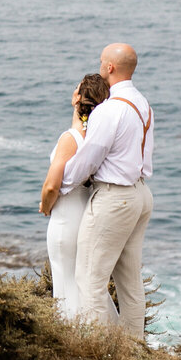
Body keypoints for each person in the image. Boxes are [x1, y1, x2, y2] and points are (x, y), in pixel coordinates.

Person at [62, 42, 154, 336]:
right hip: (140, 195)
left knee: (89, 278)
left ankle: (100, 352)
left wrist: (61, 186)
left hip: (115, 198)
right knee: (130, 283)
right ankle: (133, 351)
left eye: (102, 62)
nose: (100, 66)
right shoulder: (143, 104)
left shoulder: (109, 110)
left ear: (109, 68)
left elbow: (89, 158)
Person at [38, 72, 111, 316]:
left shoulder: (69, 138)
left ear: (76, 98)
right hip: (86, 214)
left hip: (65, 217)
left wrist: (46, 205)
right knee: (83, 280)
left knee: (64, 278)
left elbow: (51, 186)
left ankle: (74, 334)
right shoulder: (95, 140)